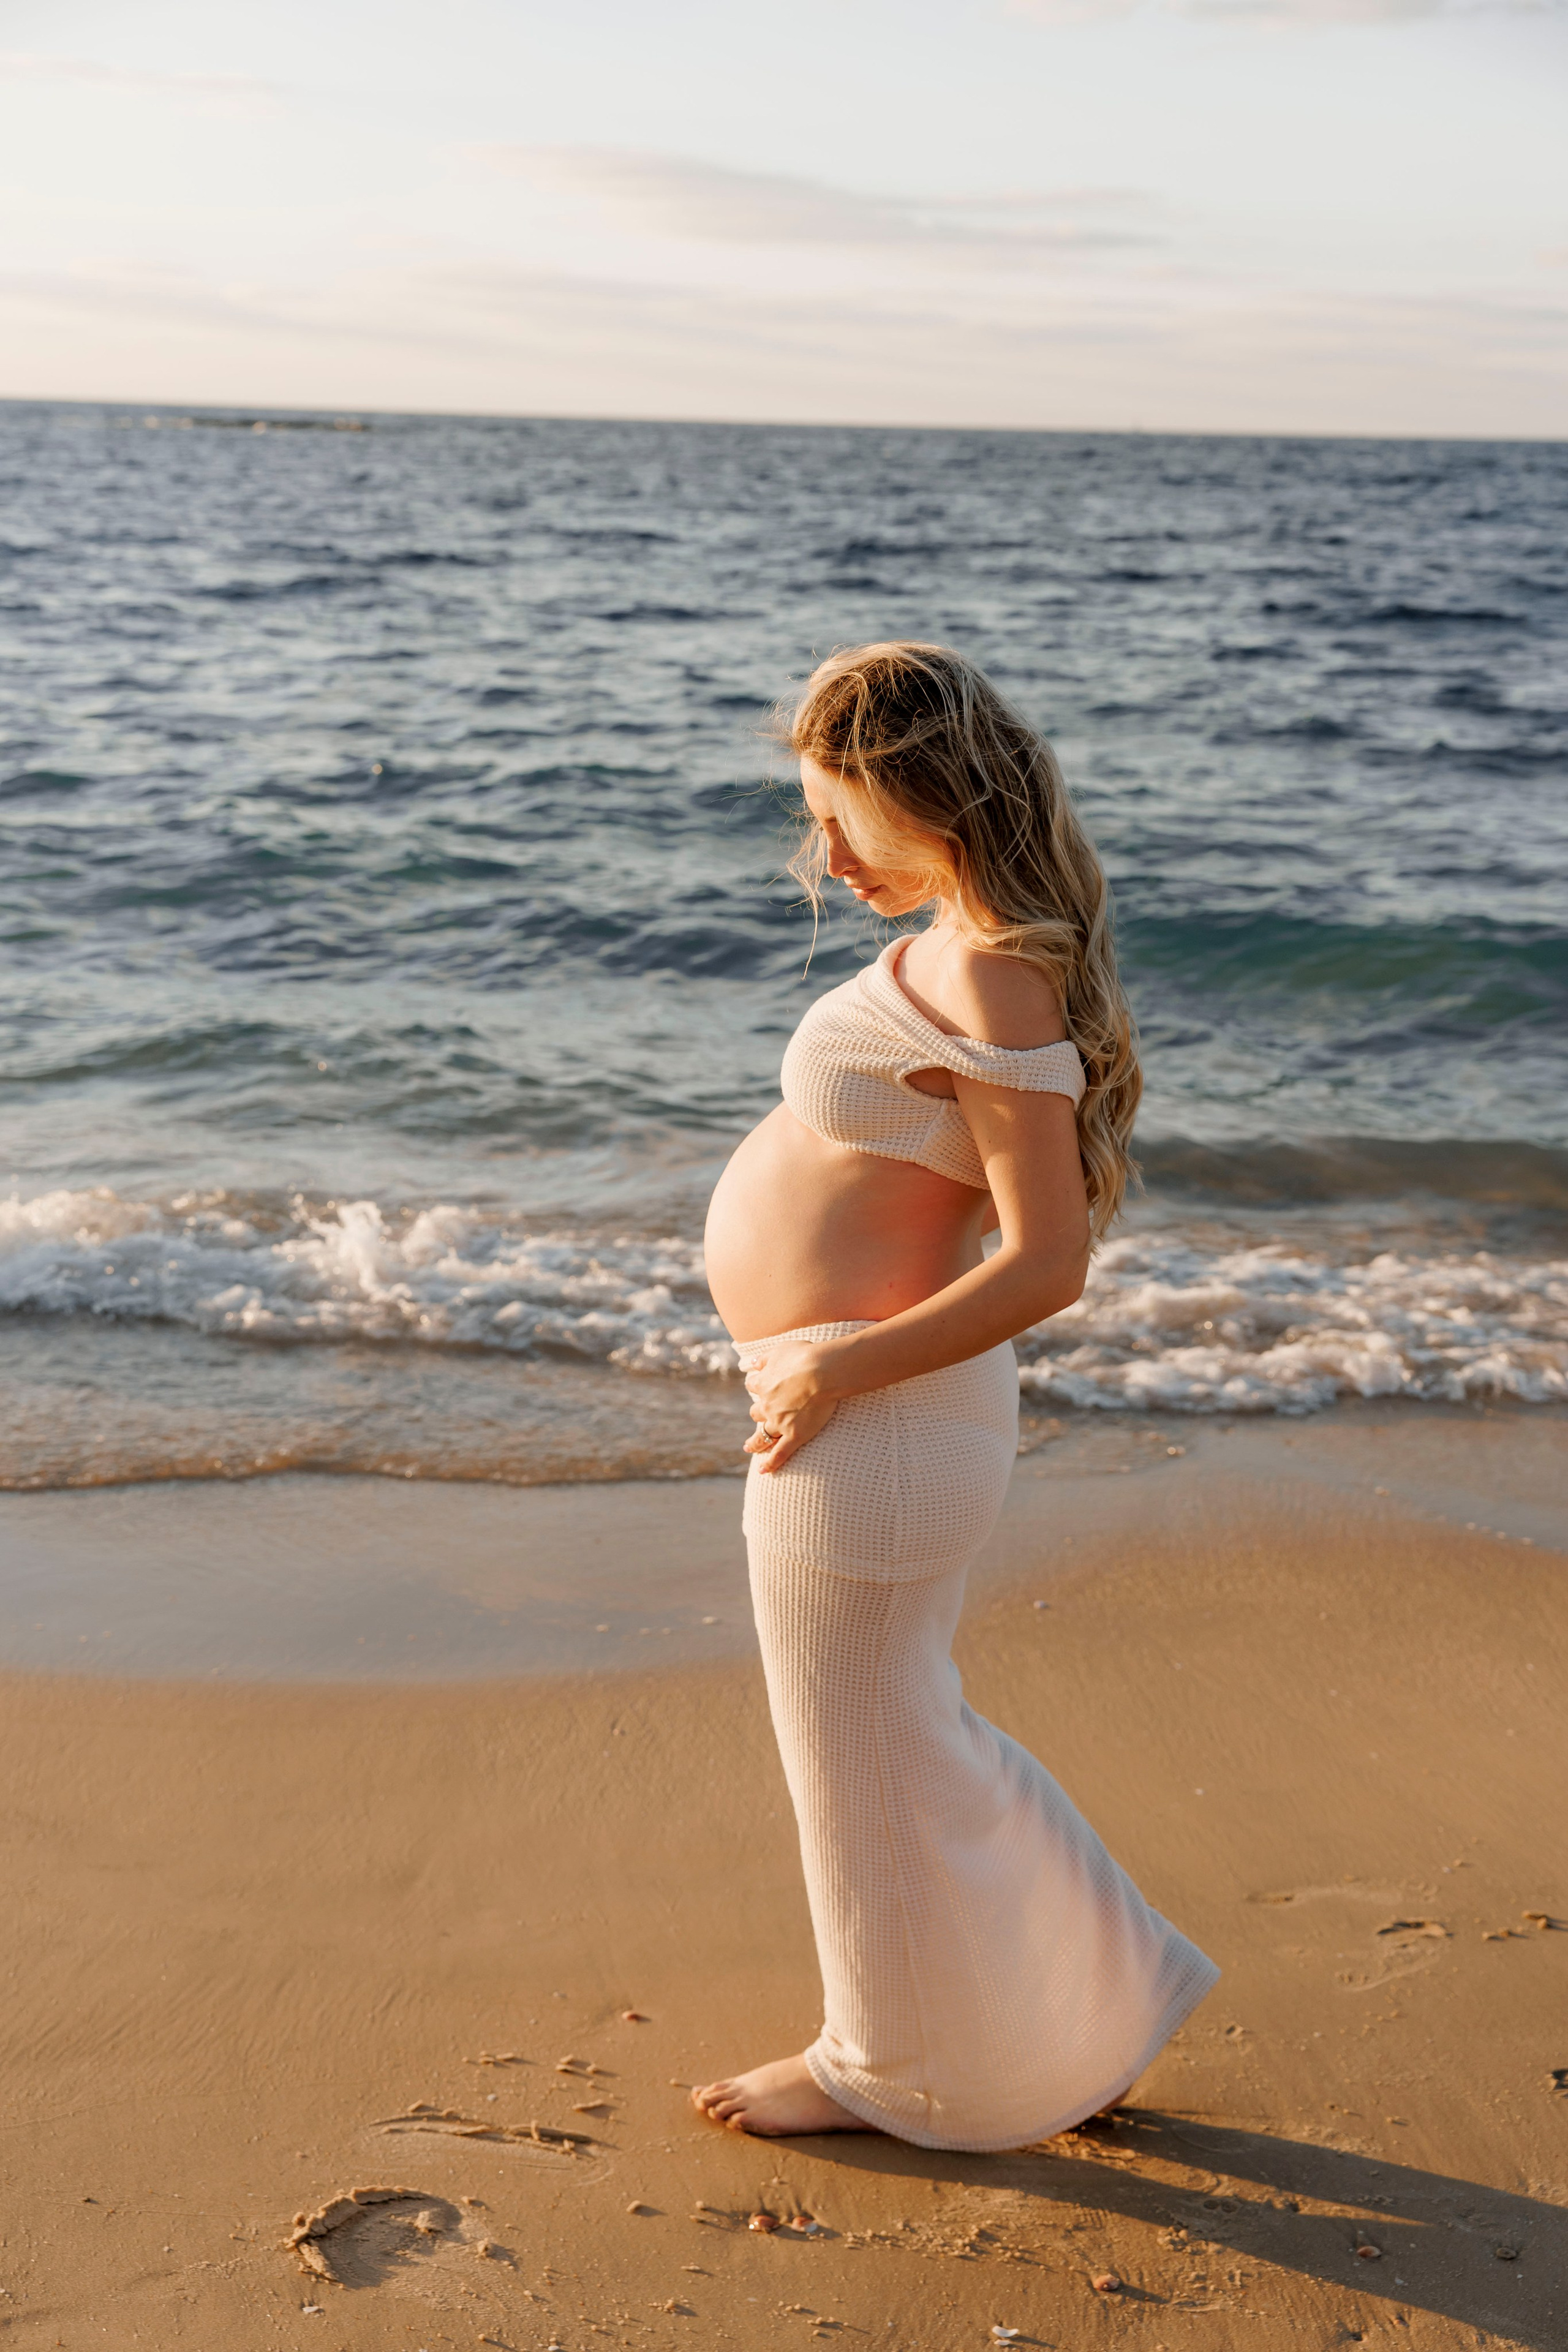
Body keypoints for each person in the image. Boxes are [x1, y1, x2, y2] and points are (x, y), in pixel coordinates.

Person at [692, 641, 1218, 2152]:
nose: (824, 856)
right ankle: (1105, 1993)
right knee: (909, 1731)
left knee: (859, 1761)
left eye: (838, 817)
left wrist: (833, 1363)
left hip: (879, 1413)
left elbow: (1047, 1262)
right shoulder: (962, 946)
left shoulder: (989, 971)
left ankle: (880, 2065)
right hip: (869, 1408)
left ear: (919, 792)